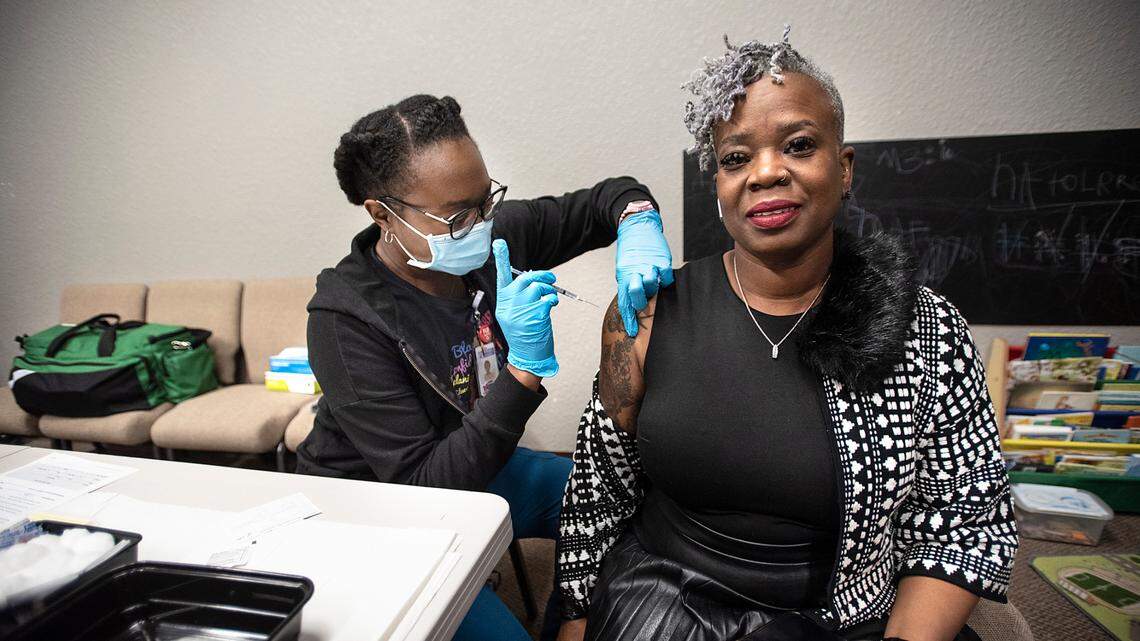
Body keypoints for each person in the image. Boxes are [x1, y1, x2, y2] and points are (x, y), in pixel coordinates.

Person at [556, 30, 1018, 641]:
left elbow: (964, 520)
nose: (766, 173)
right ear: (717, 184)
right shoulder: (644, 315)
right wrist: (577, 623)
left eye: (798, 145)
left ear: (844, 167)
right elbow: (597, 493)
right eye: (736, 158)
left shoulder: (925, 331)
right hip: (666, 603)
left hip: (850, 617)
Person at [295, 94, 674, 641]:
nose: (479, 225)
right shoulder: (345, 320)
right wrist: (523, 372)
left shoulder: (491, 237)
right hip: (385, 509)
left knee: (619, 502)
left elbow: (609, 198)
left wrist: (638, 223)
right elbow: (426, 486)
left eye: (486, 200)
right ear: (383, 213)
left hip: (477, 462)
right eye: (456, 215)